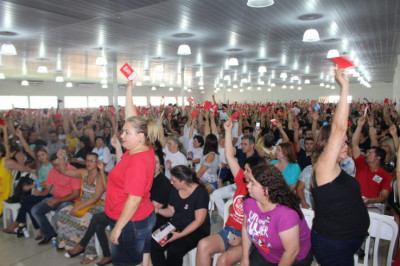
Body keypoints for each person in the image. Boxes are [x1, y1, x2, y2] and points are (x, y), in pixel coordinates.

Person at [311, 68, 369, 265]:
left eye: (346, 142)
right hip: (333, 243)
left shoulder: (336, 167)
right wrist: (344, 87)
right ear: (327, 146)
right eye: (341, 142)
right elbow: (339, 127)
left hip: (346, 240)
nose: (346, 145)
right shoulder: (323, 167)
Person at [196, 120, 265, 266]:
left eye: (247, 170)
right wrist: (228, 131)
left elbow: (263, 227)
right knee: (202, 245)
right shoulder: (242, 180)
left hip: (249, 238)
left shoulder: (263, 194)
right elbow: (229, 157)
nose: (243, 172)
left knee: (223, 260)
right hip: (229, 230)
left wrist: (243, 239)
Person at [105, 80, 158, 266]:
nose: (122, 135)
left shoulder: (137, 161)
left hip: (130, 222)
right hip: (142, 216)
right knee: (144, 262)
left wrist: (118, 228)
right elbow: (132, 119)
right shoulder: (142, 147)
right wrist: (129, 91)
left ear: (140, 137)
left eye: (126, 133)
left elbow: (134, 198)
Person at [240, 163, 312, 265]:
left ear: (267, 190)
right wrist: (244, 257)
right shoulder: (250, 202)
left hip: (295, 258)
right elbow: (245, 227)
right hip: (267, 252)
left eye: (253, 183)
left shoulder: (286, 214)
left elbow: (292, 251)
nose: (248, 185)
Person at [151, 165, 211, 266]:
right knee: (152, 244)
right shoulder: (174, 189)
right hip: (176, 225)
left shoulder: (200, 193)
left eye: (174, 180)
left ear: (183, 182)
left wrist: (180, 235)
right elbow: (171, 211)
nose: (171, 182)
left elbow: (198, 221)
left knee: (174, 250)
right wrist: (157, 210)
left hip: (197, 230)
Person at [56, 151, 105, 263]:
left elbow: (96, 198)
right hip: (84, 202)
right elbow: (64, 171)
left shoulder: (101, 176)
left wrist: (78, 207)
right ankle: (72, 244)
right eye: (87, 160)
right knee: (63, 212)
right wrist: (61, 159)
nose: (89, 163)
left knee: (85, 220)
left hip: (99, 205)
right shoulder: (84, 172)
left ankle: (91, 252)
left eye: (92, 160)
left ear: (98, 163)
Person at [31, 153, 81, 245]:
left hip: (70, 201)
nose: (57, 168)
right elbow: (47, 190)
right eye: (54, 165)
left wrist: (57, 201)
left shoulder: (73, 171)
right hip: (56, 199)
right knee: (35, 210)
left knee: (58, 214)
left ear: (64, 162)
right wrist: (40, 193)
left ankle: (63, 240)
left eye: (58, 164)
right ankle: (49, 233)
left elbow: (75, 195)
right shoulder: (52, 171)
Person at [3, 146, 53, 236]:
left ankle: (18, 222)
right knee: (28, 205)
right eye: (39, 156)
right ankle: (41, 229)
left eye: (43, 155)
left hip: (49, 193)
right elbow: (27, 149)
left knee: (26, 200)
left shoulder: (51, 167)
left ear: (47, 154)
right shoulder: (41, 166)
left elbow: (49, 182)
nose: (41, 157)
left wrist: (32, 186)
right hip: (41, 191)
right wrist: (37, 188)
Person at [352, 115, 391, 213]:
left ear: (377, 158)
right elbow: (354, 145)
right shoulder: (361, 165)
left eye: (370, 153)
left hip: (373, 208)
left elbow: (384, 197)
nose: (366, 155)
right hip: (355, 205)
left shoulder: (386, 176)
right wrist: (359, 126)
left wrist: (369, 201)